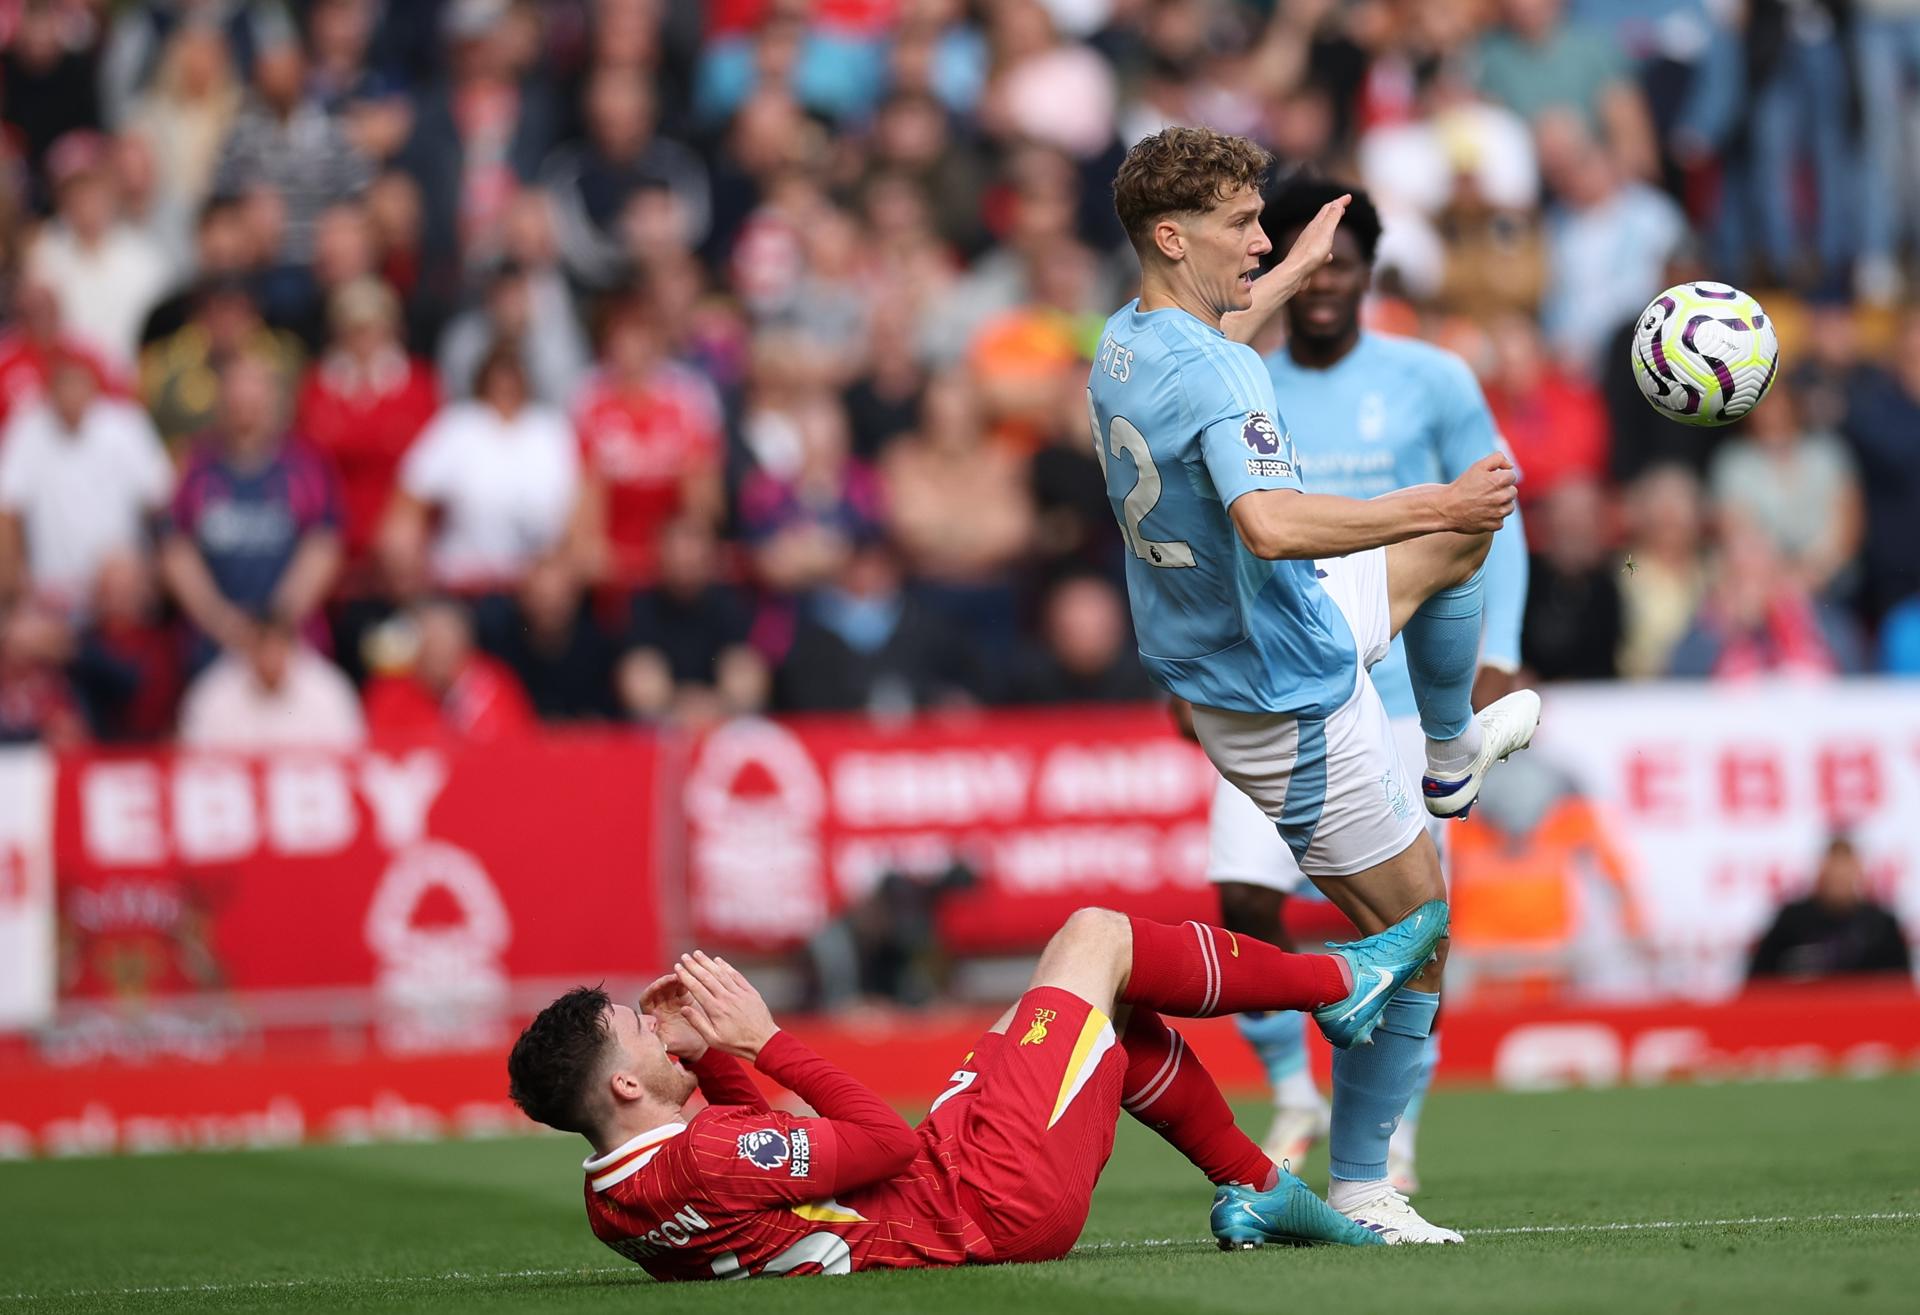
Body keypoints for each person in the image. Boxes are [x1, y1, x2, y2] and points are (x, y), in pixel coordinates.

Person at [1088, 127, 1541, 1242]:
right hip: (1285, 689)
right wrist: (1437, 498)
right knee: (1422, 929)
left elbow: (1215, 344)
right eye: (1243, 225)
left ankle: (1448, 754)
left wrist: (1288, 273)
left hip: (1244, 643)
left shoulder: (1127, 340)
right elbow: (1272, 523)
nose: (1262, 240)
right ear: (1172, 236)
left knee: (1458, 553)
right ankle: (1365, 1185)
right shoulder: (1226, 370)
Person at [508, 897, 1459, 1276]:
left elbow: (763, 1178)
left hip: (951, 1189)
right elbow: (882, 1142)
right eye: (640, 1029)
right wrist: (766, 1039)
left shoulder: (615, 1197)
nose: (655, 1024)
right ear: (624, 1082)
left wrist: (713, 1056)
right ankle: (1340, 982)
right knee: (1095, 937)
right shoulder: (707, 1153)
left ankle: (1256, 1189)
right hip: (985, 1195)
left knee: (1103, 1012)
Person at [1189, 180, 1530, 1194]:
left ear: (1369, 272)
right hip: (1278, 669)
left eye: (1342, 264)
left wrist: (1499, 647)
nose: (1327, 282)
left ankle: (1394, 1133)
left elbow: (1496, 507)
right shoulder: (1240, 374)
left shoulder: (1432, 377)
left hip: (1404, 689)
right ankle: (1295, 1087)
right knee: (1243, 894)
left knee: (1412, 917)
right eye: (1310, 264)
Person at [177, 611, 365, 750]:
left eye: (278, 647)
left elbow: (350, 753)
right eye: (263, 647)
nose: (270, 658)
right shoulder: (213, 694)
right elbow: (195, 756)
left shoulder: (328, 690)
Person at [1748, 836, 1912, 981]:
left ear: (1858, 871)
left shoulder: (1882, 926)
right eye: (1834, 870)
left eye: (1845, 870)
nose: (1839, 876)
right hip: (1805, 1005)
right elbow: (1760, 980)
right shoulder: (1791, 921)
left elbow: (1901, 985)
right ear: (1822, 870)